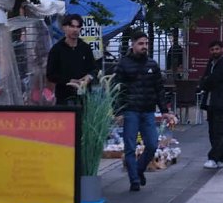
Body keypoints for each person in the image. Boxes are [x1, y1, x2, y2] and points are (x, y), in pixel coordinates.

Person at [113, 31, 175, 192]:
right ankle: (134, 180)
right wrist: (118, 111)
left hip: (148, 111)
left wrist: (164, 110)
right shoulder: (123, 64)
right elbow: (117, 89)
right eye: (141, 43)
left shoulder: (152, 65)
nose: (144, 46)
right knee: (130, 147)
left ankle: (139, 169)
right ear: (132, 44)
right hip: (130, 111)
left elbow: (159, 89)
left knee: (152, 145)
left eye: (146, 43)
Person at [199, 40, 223, 169]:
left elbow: (213, 80)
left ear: (222, 49)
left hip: (221, 102)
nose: (214, 52)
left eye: (216, 49)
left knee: (218, 132)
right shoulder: (211, 63)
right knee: (213, 131)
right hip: (211, 102)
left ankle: (213, 158)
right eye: (212, 49)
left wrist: (205, 82)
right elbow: (205, 79)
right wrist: (205, 82)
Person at [46, 14, 98, 105]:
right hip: (64, 98)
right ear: (64, 28)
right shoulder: (56, 50)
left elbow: (94, 69)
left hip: (84, 97)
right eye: (72, 26)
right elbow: (50, 74)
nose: (75, 30)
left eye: (78, 27)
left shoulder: (85, 48)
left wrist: (88, 77)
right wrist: (69, 81)